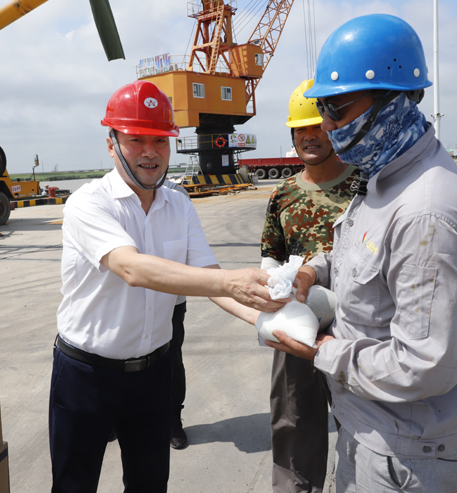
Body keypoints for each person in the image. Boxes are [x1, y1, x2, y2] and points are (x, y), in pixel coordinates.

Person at [266, 14, 457, 493]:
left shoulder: (425, 212)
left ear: (392, 101)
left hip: (403, 454)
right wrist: (312, 272)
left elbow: (422, 366)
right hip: (372, 429)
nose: (325, 125)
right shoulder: (381, 178)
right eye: (321, 110)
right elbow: (358, 253)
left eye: (335, 108)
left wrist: (320, 350)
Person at [49, 80, 284, 493]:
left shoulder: (178, 204)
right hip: (86, 375)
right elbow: (131, 267)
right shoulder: (88, 203)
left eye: (160, 140)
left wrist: (269, 320)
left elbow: (210, 278)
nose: (150, 152)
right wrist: (229, 280)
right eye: (136, 139)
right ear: (111, 144)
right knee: (74, 484)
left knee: (151, 482)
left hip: (153, 375)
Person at [260, 79, 359, 493]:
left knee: (363, 424)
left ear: (334, 127)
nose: (309, 136)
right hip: (297, 325)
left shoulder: (365, 185)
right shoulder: (283, 195)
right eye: (300, 129)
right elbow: (271, 257)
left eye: (316, 126)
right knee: (294, 421)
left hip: (356, 327)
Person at [162, 179, 191, 450]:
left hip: (171, 299)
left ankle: (173, 419)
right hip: (128, 299)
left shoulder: (177, 194)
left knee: (172, 359)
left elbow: (192, 247)